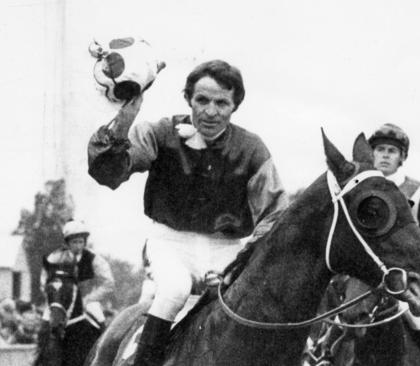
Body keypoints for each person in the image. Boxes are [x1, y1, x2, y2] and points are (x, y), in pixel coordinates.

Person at [87, 59, 287, 366]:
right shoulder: (160, 133)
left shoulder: (252, 148)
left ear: (235, 106)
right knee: (175, 289)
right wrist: (125, 120)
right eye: (202, 100)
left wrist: (242, 261)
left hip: (228, 249)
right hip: (170, 244)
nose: (210, 111)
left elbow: (275, 213)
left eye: (222, 103)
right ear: (188, 99)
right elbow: (109, 173)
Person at [368, 123, 420, 366]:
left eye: (392, 150)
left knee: (410, 312)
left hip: (404, 274)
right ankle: (324, 352)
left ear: (402, 157)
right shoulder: (363, 189)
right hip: (365, 271)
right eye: (380, 150)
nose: (385, 155)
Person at [42, 220, 115, 328]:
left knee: (99, 319)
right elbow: (44, 279)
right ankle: (41, 343)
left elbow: (108, 283)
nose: (78, 246)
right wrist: (53, 296)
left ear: (85, 242)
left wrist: (89, 298)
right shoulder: (55, 258)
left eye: (81, 242)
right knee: (45, 323)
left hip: (87, 301)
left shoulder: (94, 259)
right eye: (74, 242)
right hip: (61, 300)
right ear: (67, 243)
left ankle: (102, 342)